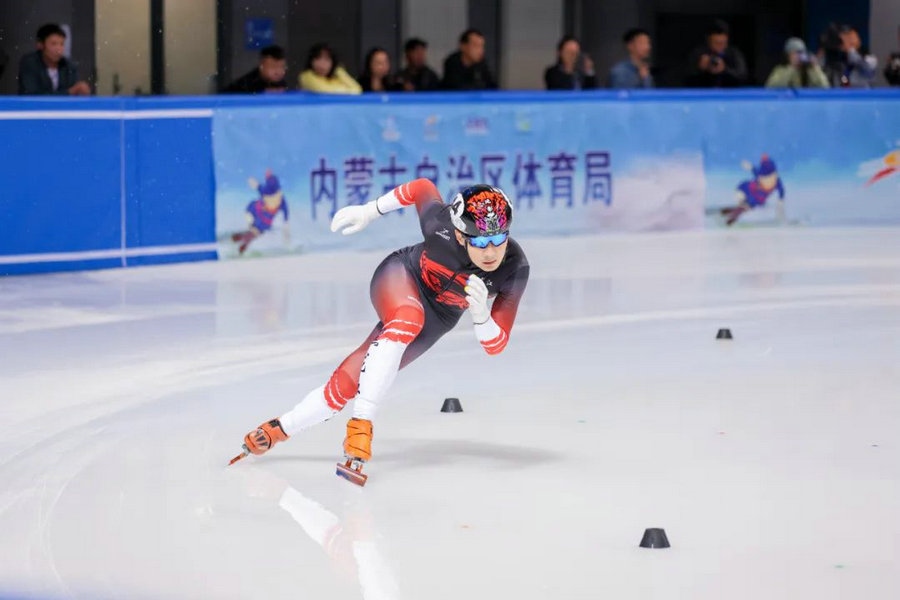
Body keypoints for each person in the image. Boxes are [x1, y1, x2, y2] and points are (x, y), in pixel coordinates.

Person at [231, 179, 530, 485]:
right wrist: (370, 210)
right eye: (480, 242)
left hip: (439, 317)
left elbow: (496, 345)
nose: (491, 252)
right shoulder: (439, 225)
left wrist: (481, 317)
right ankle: (360, 430)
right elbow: (421, 188)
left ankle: (278, 428)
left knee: (351, 380)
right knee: (408, 317)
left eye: (499, 238)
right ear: (458, 234)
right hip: (402, 275)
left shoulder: (515, 267)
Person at [18, 23, 91, 96]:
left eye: (62, 44)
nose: (58, 49)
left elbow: (75, 94)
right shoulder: (30, 63)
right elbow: (33, 96)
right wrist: (69, 92)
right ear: (40, 45)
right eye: (54, 44)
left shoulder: (69, 66)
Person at [685, 19, 748, 88]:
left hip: (728, 92)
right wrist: (699, 69)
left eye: (723, 43)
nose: (720, 47)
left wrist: (725, 69)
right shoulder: (698, 54)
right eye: (716, 43)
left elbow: (743, 77)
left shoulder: (733, 54)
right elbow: (685, 79)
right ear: (708, 41)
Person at [819, 24, 877, 88]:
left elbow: (867, 70)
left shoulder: (868, 57)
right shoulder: (836, 58)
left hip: (861, 92)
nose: (848, 40)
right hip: (840, 92)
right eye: (846, 36)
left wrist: (850, 49)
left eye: (851, 37)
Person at [764, 37, 829, 89]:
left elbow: (825, 87)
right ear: (788, 56)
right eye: (796, 53)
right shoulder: (780, 70)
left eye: (801, 53)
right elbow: (771, 87)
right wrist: (792, 68)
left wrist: (815, 68)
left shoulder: (809, 70)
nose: (799, 56)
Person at [223, 45, 288, 94]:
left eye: (282, 67)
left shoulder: (281, 83)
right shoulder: (245, 86)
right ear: (262, 66)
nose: (278, 72)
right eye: (273, 67)